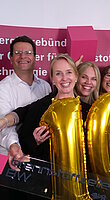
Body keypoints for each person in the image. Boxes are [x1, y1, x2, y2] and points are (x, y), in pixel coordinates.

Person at [0, 36, 51, 198]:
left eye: (28, 52)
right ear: (10, 58)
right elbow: (4, 126)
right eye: (18, 53)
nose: (23, 57)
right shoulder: (4, 88)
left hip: (37, 159)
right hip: (11, 160)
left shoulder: (45, 87)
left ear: (35, 58)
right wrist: (14, 146)